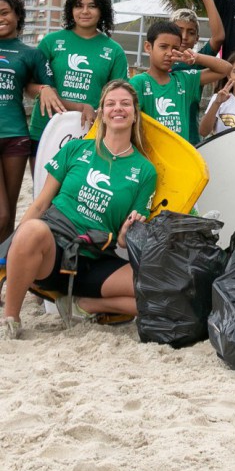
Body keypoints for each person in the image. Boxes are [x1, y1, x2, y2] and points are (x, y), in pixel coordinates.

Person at [0, 80, 157, 339]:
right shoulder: (76, 149)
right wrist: (13, 250)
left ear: (135, 113)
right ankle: (11, 319)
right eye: (111, 104)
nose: (118, 108)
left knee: (155, 292)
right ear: (102, 113)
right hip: (53, 252)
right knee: (32, 230)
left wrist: (125, 232)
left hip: (96, 258)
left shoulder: (145, 171)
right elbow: (40, 204)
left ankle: (83, 305)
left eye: (125, 103)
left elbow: (123, 242)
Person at [27, 0, 128, 163]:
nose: (85, 11)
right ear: (70, 9)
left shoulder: (114, 51)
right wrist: (43, 89)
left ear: (102, 10)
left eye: (92, 6)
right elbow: (28, 86)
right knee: (42, 183)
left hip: (88, 134)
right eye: (79, 5)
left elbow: (120, 97)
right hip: (45, 129)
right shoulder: (51, 42)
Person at [0, 0, 64, 241]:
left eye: (4, 12)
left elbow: (48, 88)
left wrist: (45, 88)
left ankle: (5, 263)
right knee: (1, 215)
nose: (1, 18)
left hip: (16, 137)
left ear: (18, 15)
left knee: (10, 216)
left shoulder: (31, 54)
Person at [130, 21, 231, 144]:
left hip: (180, 154)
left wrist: (196, 58)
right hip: (150, 154)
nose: (169, 53)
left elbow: (226, 69)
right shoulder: (138, 83)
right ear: (148, 47)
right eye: (163, 47)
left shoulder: (184, 79)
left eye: (175, 49)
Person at [170, 0, 225, 142]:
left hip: (190, 139)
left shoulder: (196, 62)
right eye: (179, 30)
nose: (184, 36)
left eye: (191, 32)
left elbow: (218, 38)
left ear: (197, 39)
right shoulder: (158, 63)